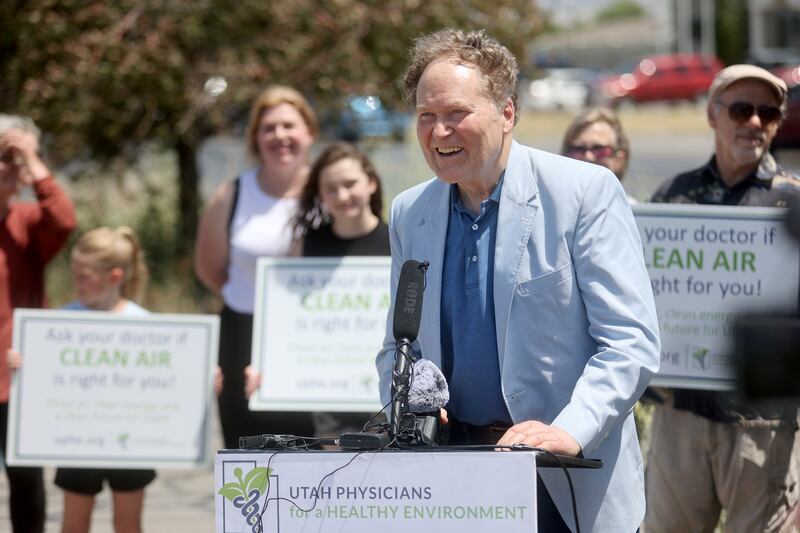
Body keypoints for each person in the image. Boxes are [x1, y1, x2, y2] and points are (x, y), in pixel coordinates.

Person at [375, 28, 660, 532]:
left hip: (565, 477)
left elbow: (629, 342)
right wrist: (407, 404)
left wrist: (569, 431)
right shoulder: (409, 212)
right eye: (426, 116)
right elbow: (399, 347)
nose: (439, 132)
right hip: (454, 478)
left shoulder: (583, 193)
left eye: (456, 113)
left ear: (507, 113)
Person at [644, 65, 800, 533]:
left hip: (762, 423)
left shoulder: (793, 201)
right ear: (714, 115)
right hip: (681, 413)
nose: (754, 122)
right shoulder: (674, 195)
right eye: (740, 109)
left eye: (767, 113)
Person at [194, 86, 317, 449]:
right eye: (269, 128)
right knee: (246, 458)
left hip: (310, 341)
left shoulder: (329, 192)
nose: (280, 136)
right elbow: (210, 270)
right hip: (240, 338)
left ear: (309, 133)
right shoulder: (231, 194)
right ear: (255, 138)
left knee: (311, 455)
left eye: (289, 126)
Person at [0, 114, 76, 533]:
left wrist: (31, 158)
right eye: (6, 157)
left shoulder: (26, 223)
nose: (15, 167)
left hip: (15, 379)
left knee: (26, 483)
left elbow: (63, 219)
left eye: (20, 158)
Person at [293, 141, 390, 437]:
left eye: (350, 184)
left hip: (383, 391)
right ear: (320, 195)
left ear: (371, 183)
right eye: (331, 189)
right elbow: (290, 316)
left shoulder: (397, 241)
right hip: (325, 390)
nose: (342, 195)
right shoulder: (307, 245)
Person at [561, 106, 636, 202]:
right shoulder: (551, 208)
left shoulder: (631, 210)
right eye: (578, 149)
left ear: (619, 160)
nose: (588, 156)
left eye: (599, 149)